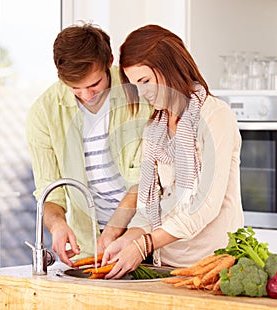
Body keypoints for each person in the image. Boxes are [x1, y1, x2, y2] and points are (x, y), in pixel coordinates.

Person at [101, 24, 244, 279]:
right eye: (136, 85)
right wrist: (131, 237)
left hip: (214, 267)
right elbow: (150, 203)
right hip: (166, 267)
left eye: (145, 81)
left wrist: (144, 244)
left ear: (169, 66)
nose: (142, 92)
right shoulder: (154, 130)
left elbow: (206, 205)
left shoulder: (214, 116)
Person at [26, 22, 152, 266]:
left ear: (109, 62)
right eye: (76, 88)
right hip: (93, 248)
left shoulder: (138, 88)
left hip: (148, 236)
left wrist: (115, 233)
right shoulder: (44, 112)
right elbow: (49, 190)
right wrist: (58, 225)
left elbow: (151, 179)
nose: (87, 95)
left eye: (94, 85)